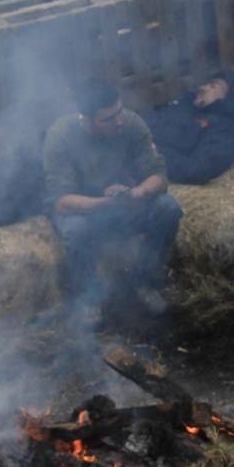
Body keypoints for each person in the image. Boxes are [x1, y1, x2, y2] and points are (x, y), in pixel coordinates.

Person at [42, 79, 182, 312]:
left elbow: (158, 176)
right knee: (76, 230)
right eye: (108, 119)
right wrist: (107, 202)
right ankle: (88, 300)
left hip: (124, 204)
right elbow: (62, 202)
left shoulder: (131, 123)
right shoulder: (61, 137)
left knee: (168, 209)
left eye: (119, 112)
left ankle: (145, 283)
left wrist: (138, 192)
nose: (118, 121)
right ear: (86, 119)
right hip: (84, 210)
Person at [145, 70, 234, 184]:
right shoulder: (185, 104)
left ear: (228, 99)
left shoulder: (224, 132)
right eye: (208, 83)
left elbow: (198, 170)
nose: (203, 87)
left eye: (213, 86)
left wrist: (156, 154)